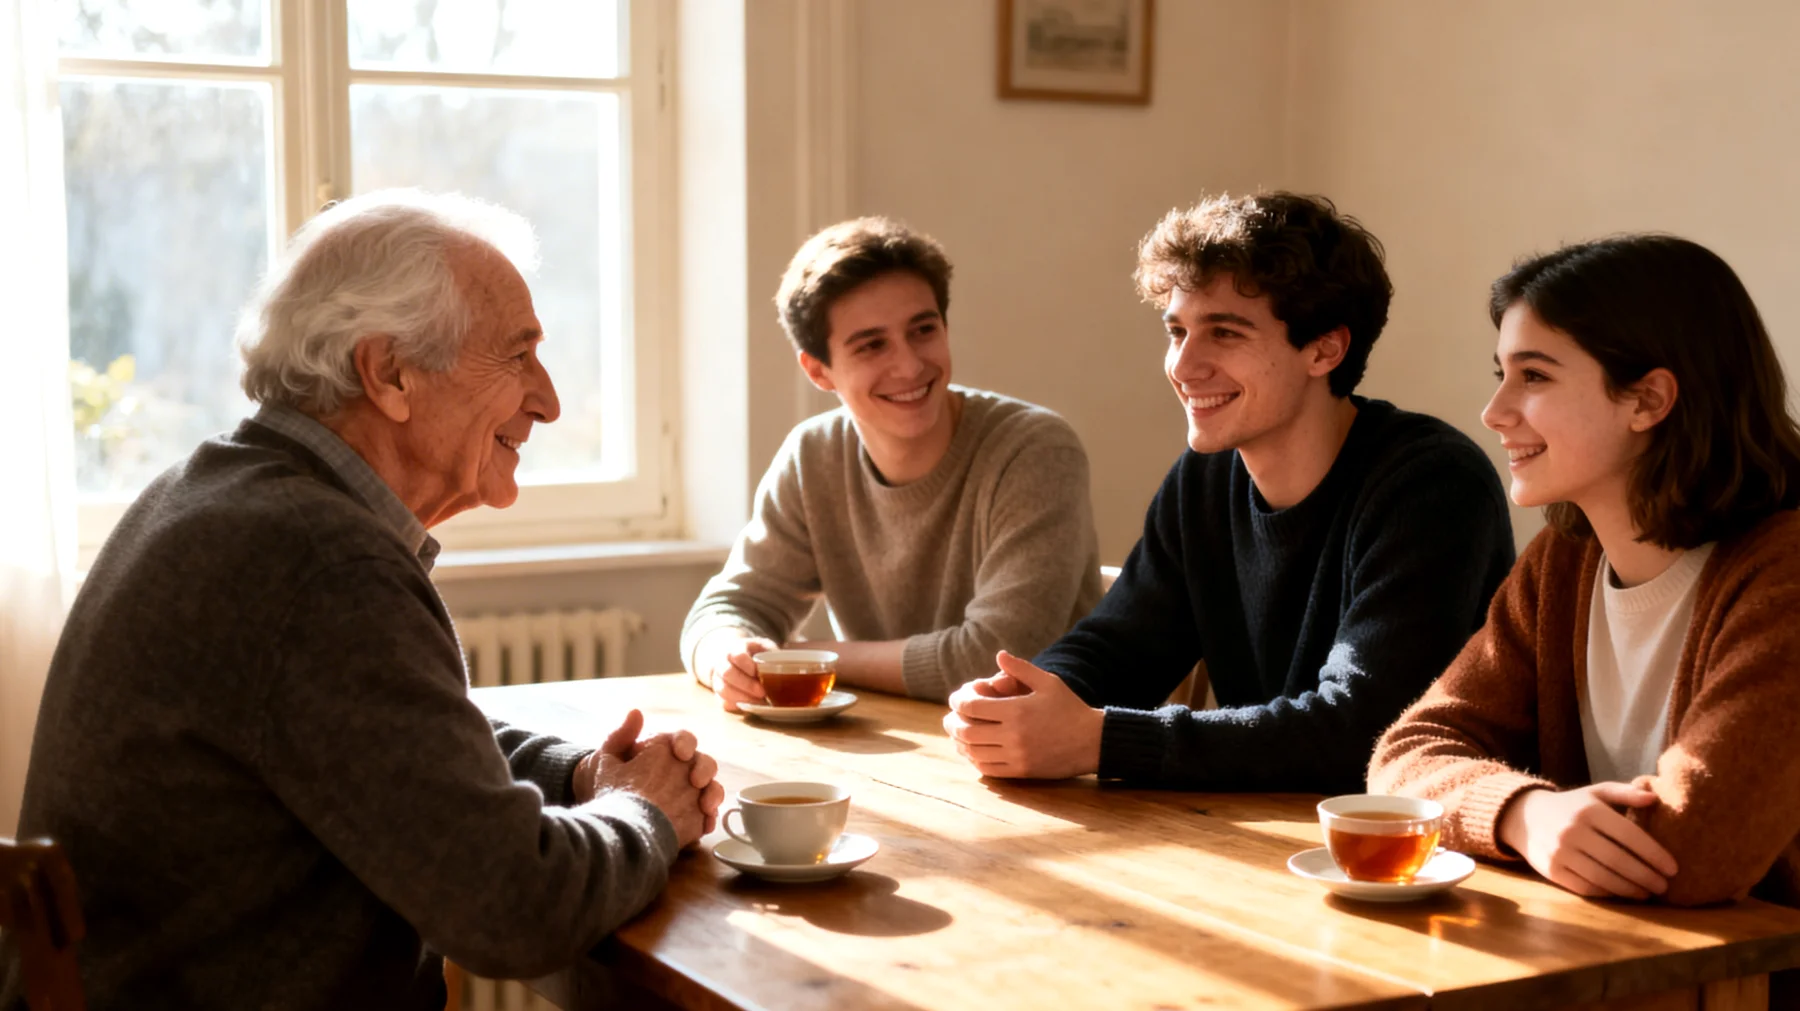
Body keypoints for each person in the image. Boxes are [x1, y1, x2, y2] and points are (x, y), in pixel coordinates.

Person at [1, 191, 723, 1011]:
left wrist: (579, 772)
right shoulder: (317, 561)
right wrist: (646, 811)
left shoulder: (219, 491)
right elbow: (516, 907)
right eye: (517, 355)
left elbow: (391, 743)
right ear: (388, 373)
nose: (548, 399)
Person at [943, 192, 1514, 791]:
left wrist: (1100, 739)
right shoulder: (1206, 478)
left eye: (1224, 333)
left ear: (1325, 348)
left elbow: (1363, 729)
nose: (1185, 367)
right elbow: (1120, 645)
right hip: (1257, 830)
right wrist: (1025, 699)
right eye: (1177, 331)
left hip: (1420, 854)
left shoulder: (1433, 485)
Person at [1370, 235, 1800, 909]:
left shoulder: (1785, 571)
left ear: (1648, 399)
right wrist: (1523, 813)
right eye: (1501, 374)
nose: (1494, 412)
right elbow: (1404, 754)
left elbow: (1692, 853)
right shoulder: (1563, 562)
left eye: (1534, 376)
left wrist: (1520, 818)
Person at [681, 217, 1103, 707]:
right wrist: (727, 656)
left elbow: (994, 659)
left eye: (923, 330)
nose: (909, 365)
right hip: (891, 748)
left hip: (1045, 765)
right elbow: (729, 607)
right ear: (818, 371)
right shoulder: (812, 455)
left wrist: (806, 656)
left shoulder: (1035, 450)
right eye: (871, 345)